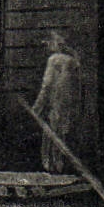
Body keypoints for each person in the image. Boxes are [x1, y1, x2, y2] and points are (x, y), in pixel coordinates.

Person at [32, 30, 81, 173]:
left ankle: (50, 166)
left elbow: (46, 86)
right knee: (61, 134)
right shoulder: (74, 62)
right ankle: (59, 166)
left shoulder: (54, 60)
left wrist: (37, 108)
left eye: (49, 42)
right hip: (69, 104)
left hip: (56, 104)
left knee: (51, 134)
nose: (47, 46)